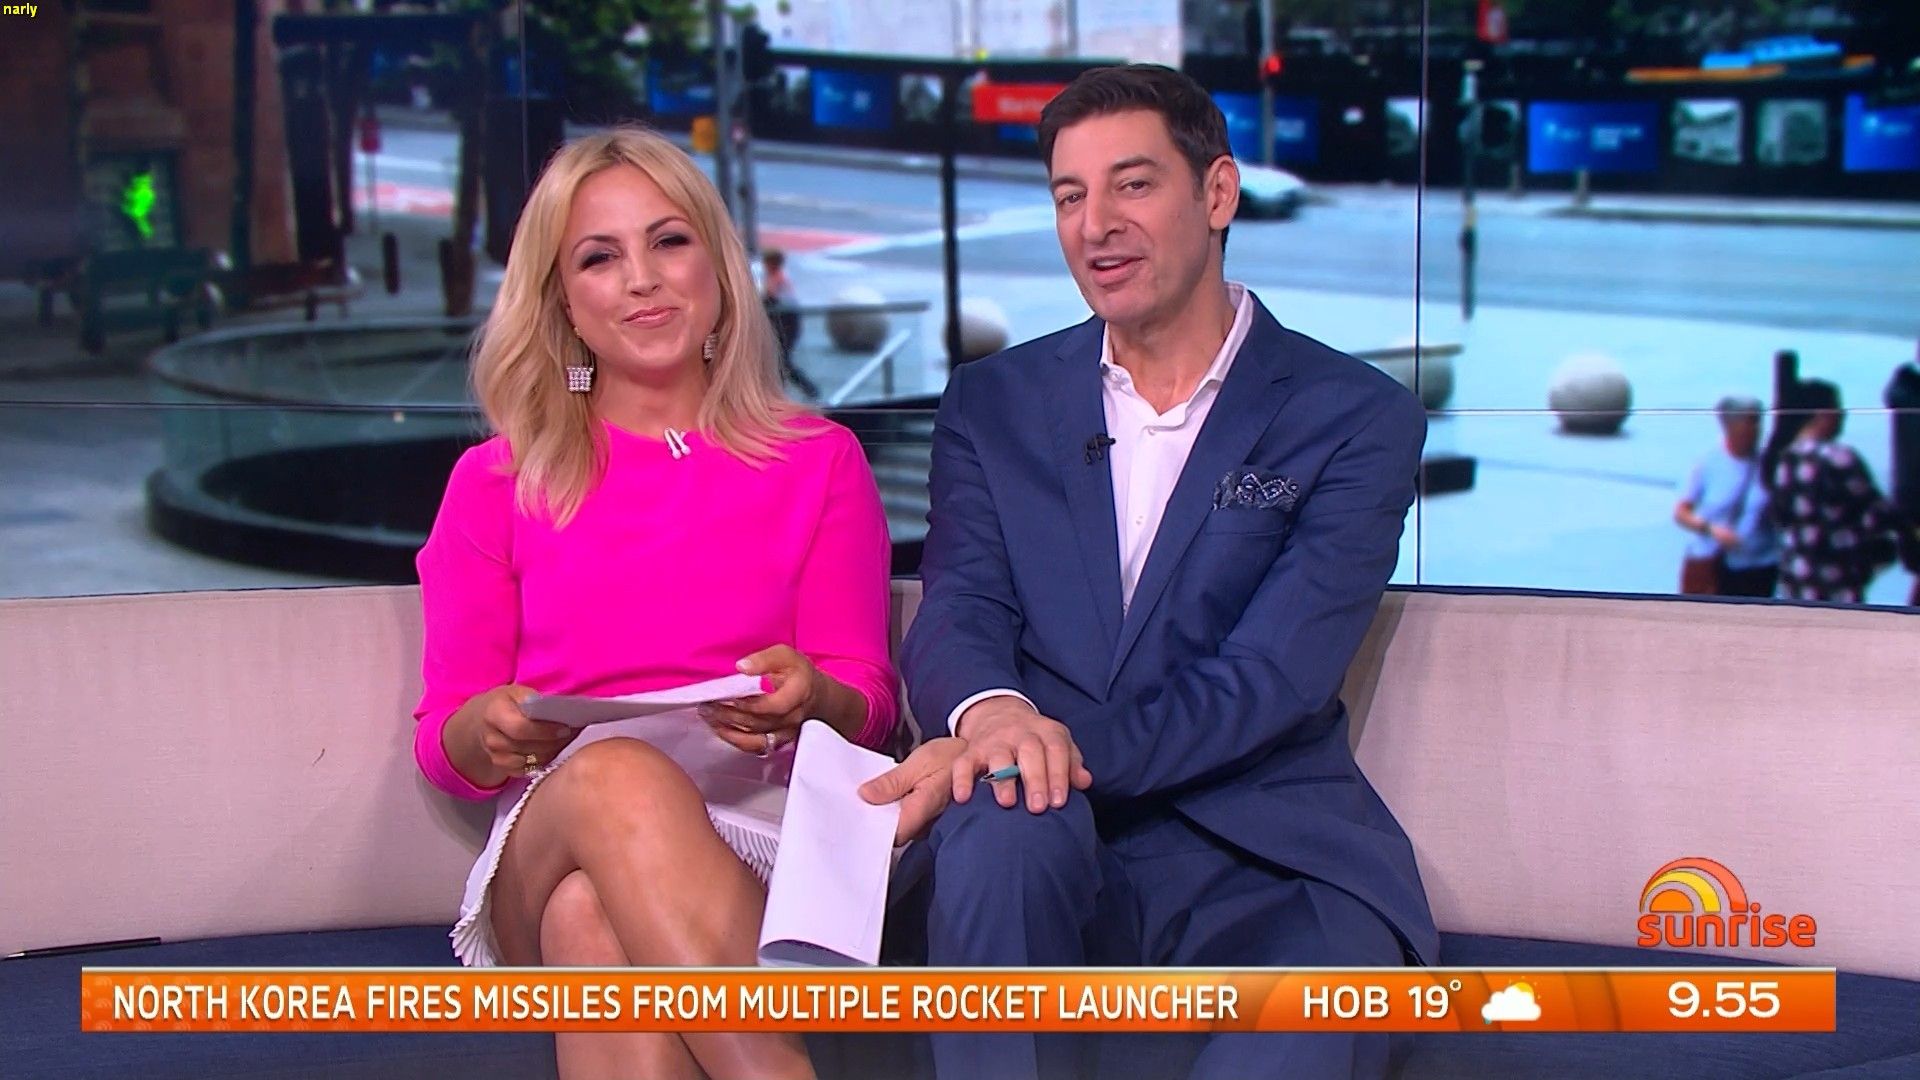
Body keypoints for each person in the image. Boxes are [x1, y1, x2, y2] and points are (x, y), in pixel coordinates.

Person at [860, 65, 1435, 1080]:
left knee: (1319, 1004)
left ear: (1217, 193)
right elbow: (962, 606)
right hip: (1036, 822)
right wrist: (995, 717)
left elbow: (1269, 679)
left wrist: (1037, 747)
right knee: (1002, 837)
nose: (1096, 227)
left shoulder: (1354, 418)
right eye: (1069, 196)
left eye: (1132, 185)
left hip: (1260, 840)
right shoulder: (993, 403)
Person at [412, 126, 898, 1080]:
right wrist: (491, 729)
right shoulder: (496, 483)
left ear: (715, 265)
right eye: (600, 258)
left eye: (669, 242)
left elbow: (869, 704)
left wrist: (812, 696)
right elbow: (445, 746)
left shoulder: (818, 462)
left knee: (589, 919)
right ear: (564, 302)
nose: (642, 280)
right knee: (617, 777)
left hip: (763, 838)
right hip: (554, 827)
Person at [1772, 379, 1900, 604]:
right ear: (1823, 413)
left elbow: (1781, 517)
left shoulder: (1785, 462)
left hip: (1796, 578)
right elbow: (1878, 513)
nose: (1842, 415)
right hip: (1837, 578)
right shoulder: (1839, 458)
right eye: (1838, 409)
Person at [1673, 395, 1779, 597]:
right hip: (1713, 563)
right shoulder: (1708, 463)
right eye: (1750, 421)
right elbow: (1681, 513)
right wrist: (1712, 529)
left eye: (1758, 421)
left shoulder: (1768, 464)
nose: (1756, 429)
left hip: (1759, 566)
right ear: (1730, 425)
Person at [761, 248, 820, 399]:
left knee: (782, 361)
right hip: (782, 322)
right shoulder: (773, 277)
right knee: (779, 361)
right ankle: (780, 392)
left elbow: (770, 299)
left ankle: (808, 389)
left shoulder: (778, 278)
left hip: (788, 323)